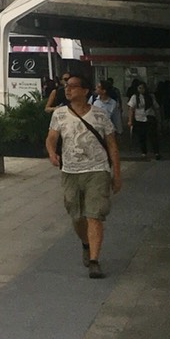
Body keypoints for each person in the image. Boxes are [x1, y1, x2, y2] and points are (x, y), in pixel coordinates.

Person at [46, 70, 121, 279]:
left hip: (97, 170)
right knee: (77, 216)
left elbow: (112, 146)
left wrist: (116, 173)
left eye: (73, 86)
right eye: (66, 86)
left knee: (94, 215)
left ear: (85, 90)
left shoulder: (99, 115)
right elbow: (51, 138)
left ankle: (95, 260)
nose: (67, 89)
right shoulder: (59, 114)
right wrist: (52, 153)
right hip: (70, 172)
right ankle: (86, 243)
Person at [125, 79, 161, 159]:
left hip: (150, 117)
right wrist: (130, 120)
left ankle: (156, 152)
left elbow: (156, 107)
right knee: (142, 136)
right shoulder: (135, 97)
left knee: (153, 136)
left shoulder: (151, 97)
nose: (142, 90)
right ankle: (144, 152)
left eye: (143, 88)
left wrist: (158, 119)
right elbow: (131, 109)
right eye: (140, 88)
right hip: (139, 118)